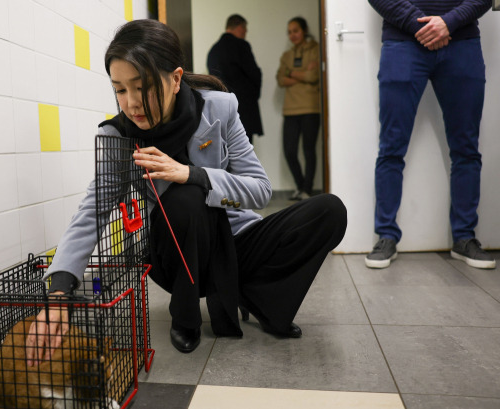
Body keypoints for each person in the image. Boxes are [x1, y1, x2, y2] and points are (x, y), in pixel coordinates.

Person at [25, 19, 346, 361]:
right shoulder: (118, 137)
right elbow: (92, 211)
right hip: (175, 255)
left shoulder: (220, 110)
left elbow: (260, 190)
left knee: (329, 211)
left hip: (233, 240)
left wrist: (194, 173)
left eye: (142, 86)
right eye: (120, 89)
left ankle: (257, 298)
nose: (131, 103)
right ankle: (186, 315)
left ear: (175, 78)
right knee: (184, 199)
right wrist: (58, 292)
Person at [366, 0, 495, 269]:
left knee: (466, 149)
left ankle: (464, 238)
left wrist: (449, 22)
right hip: (403, 42)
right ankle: (386, 235)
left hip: (461, 42)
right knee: (391, 147)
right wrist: (422, 24)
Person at [276, 17, 320, 201]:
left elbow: (314, 75)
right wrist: (303, 74)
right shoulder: (287, 55)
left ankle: (307, 190)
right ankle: (300, 186)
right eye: (289, 32)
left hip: (310, 107)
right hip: (290, 109)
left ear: (304, 30)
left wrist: (291, 73)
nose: (292, 35)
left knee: (308, 150)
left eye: (296, 30)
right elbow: (280, 79)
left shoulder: (316, 50)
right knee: (290, 151)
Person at [207, 14, 263, 144]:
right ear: (240, 27)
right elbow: (254, 74)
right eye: (245, 29)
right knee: (244, 153)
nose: (245, 33)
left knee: (224, 152)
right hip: (244, 108)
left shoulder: (213, 50)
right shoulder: (241, 46)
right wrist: (254, 96)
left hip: (221, 110)